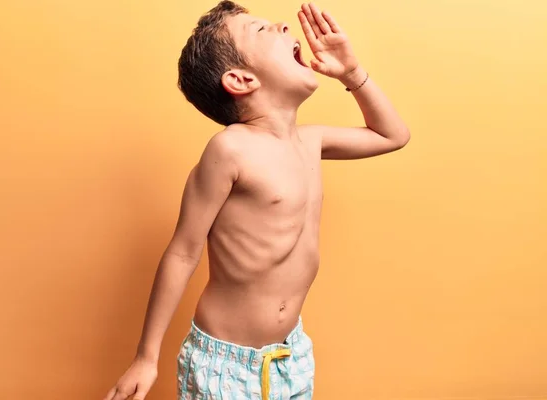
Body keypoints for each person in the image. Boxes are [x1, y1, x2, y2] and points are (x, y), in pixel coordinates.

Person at [104, 1, 410, 399]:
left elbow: (392, 136)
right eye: (262, 31)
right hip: (226, 364)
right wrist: (146, 357)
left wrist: (351, 73)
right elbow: (183, 252)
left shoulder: (311, 141)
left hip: (290, 354)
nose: (283, 25)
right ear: (241, 80)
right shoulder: (230, 150)